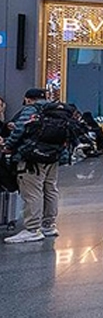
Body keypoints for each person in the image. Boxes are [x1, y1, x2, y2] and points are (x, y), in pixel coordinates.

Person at [3, 89, 70, 243]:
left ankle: (32, 229)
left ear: (27, 99)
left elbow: (19, 130)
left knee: (32, 191)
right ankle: (49, 225)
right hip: (53, 156)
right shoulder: (55, 110)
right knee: (50, 189)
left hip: (31, 157)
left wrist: (8, 145)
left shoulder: (31, 110)